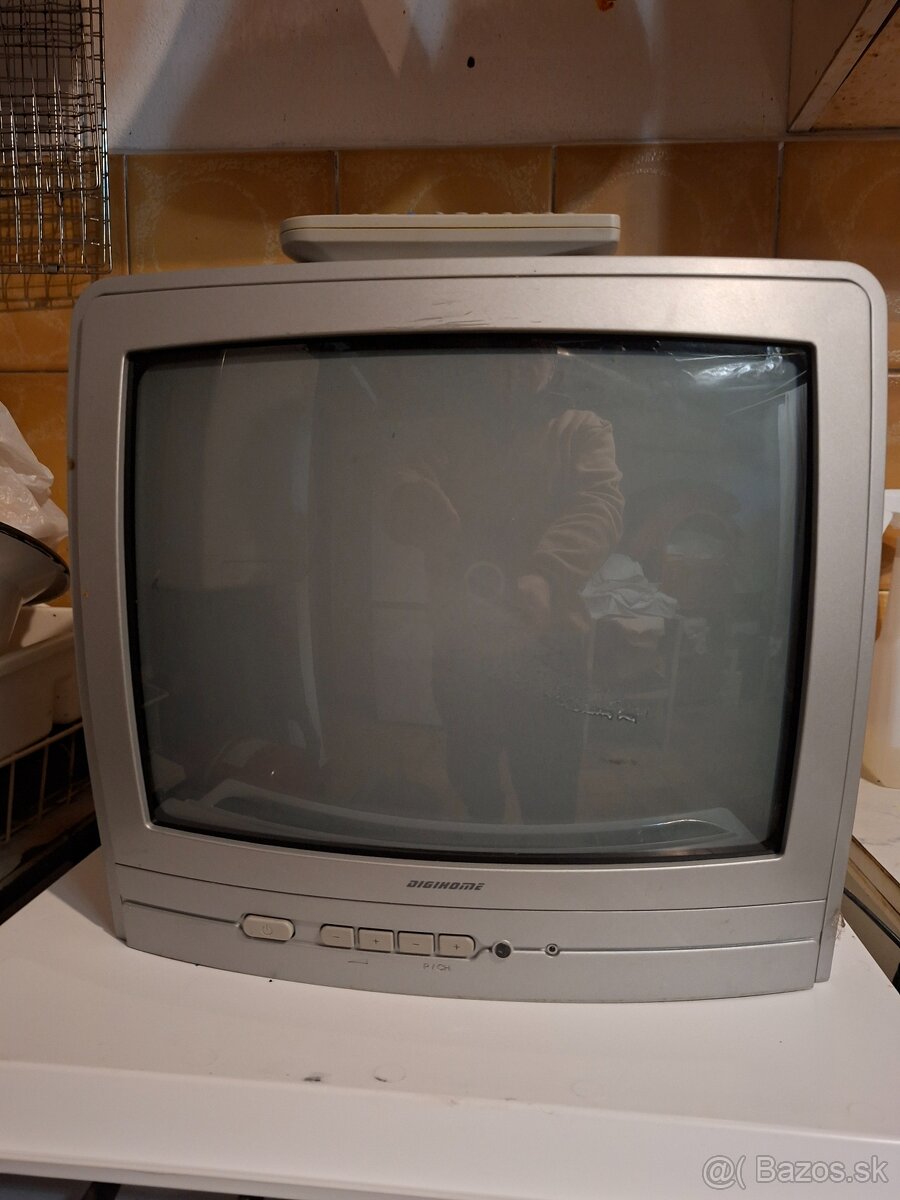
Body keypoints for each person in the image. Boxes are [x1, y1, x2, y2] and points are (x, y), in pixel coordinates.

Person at [385, 348, 624, 823]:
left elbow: (600, 505)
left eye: (530, 360)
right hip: (463, 643)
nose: (514, 373)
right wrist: (409, 496)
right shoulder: (447, 431)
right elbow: (404, 478)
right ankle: (486, 844)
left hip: (550, 643)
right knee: (470, 774)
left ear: (553, 365)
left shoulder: (582, 429)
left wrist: (547, 571)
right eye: (503, 360)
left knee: (549, 793)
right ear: (485, 364)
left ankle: (542, 862)